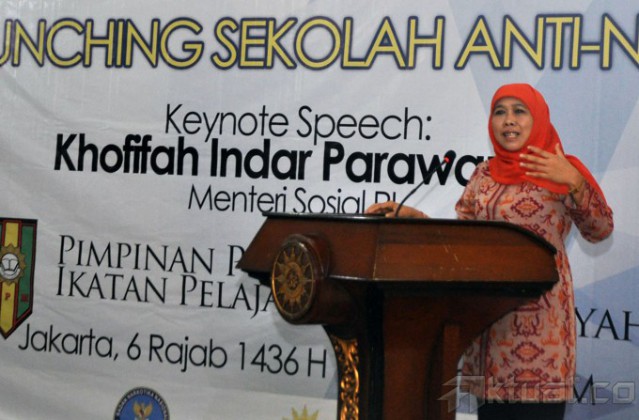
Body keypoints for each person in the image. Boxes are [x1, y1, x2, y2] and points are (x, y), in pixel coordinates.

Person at [365, 83, 614, 420]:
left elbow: (600, 230)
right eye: (500, 111)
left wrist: (575, 183)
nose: (508, 120)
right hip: (487, 331)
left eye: (519, 111)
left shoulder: (562, 169)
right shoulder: (483, 175)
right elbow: (465, 242)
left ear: (538, 118)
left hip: (542, 336)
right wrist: (416, 220)